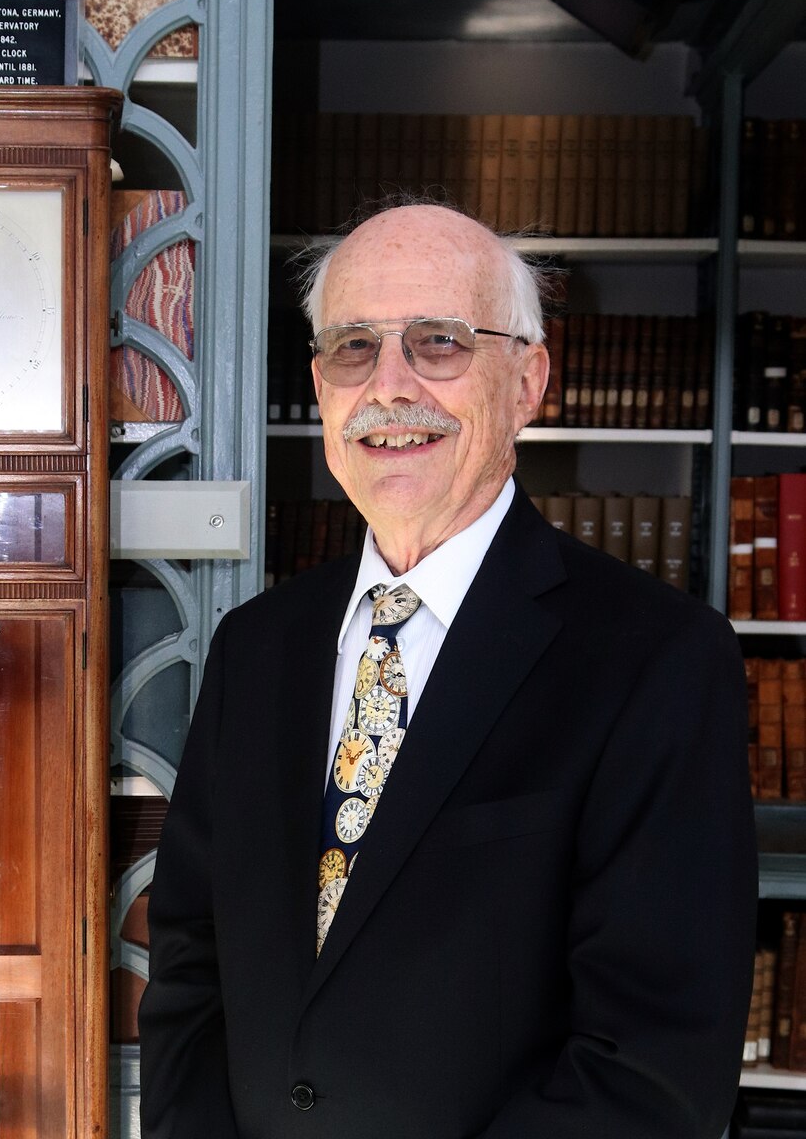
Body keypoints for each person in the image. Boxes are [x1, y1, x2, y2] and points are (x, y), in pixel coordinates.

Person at [139, 202, 756, 1139]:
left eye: (440, 342)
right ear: (318, 384)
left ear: (528, 380)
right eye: (354, 348)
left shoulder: (656, 661)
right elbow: (191, 963)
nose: (390, 386)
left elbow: (655, 1070)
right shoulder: (255, 649)